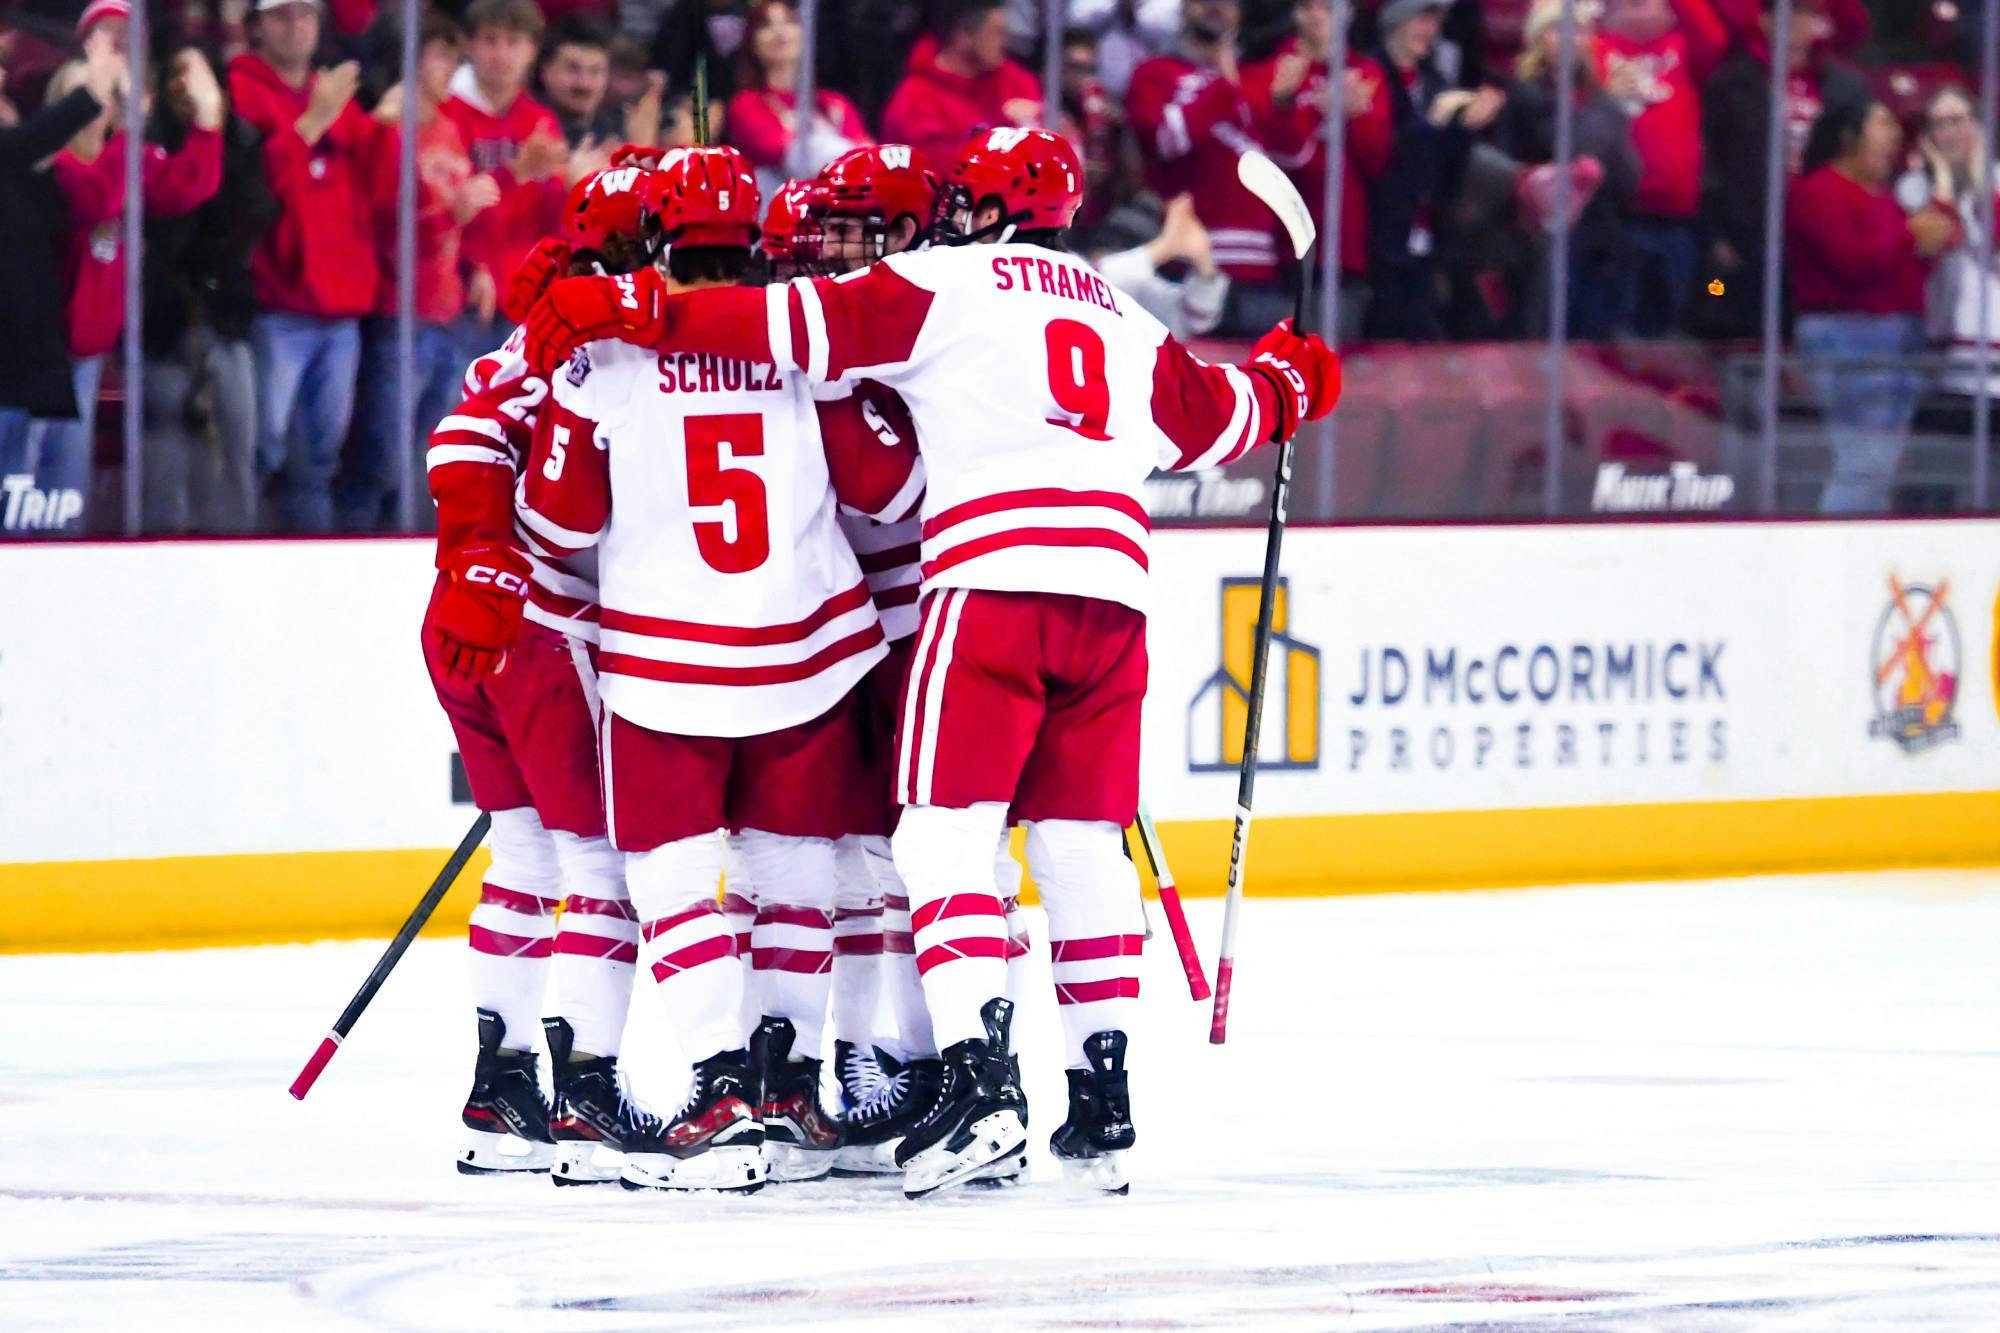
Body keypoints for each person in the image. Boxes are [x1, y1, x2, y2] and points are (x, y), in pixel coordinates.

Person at [519, 127, 1342, 1198]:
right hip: (1113, 601)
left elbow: (785, 322)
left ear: (984, 215)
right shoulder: (1118, 310)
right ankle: (1100, 1107)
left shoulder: (947, 280)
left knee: (937, 835)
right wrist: (1289, 380)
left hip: (991, 591)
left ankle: (979, 1086)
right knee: (1081, 848)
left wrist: (643, 309)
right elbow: (1219, 419)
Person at [515, 147, 927, 1191]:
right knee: (795, 876)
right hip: (809, 654)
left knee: (668, 876)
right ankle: (784, 1090)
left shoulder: (603, 350)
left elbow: (555, 516)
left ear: (652, 238)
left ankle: (718, 1086)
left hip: (664, 664)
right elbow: (888, 488)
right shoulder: (803, 338)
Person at [420, 169, 661, 1184]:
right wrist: (493, 560)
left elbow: (463, 433)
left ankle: (501, 1085)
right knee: (600, 864)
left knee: (524, 853)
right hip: (538, 630)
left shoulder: (529, 331)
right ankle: (585, 1099)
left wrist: (472, 558)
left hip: (464, 621)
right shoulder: (606, 335)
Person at [339, 12, 500, 532]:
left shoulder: (449, 127)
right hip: (399, 313)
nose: (450, 67)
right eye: (438, 54)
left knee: (425, 463)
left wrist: (473, 265)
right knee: (381, 460)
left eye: (453, 56)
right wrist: (452, 212)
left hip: (445, 310)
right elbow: (387, 222)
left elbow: (455, 220)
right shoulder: (392, 129)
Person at [230, 0, 384, 533]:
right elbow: (251, 195)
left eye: (305, 14)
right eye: (280, 15)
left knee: (319, 462)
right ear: (256, 27)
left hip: (342, 304)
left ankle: (309, 568)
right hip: (278, 301)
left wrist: (391, 128)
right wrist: (311, 122)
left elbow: (379, 189)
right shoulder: (241, 92)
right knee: (262, 451)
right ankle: (238, 554)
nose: (294, 26)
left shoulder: (337, 94)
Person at [1788, 97, 1959, 514]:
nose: (1895, 137)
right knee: (1862, 463)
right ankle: (1839, 552)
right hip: (1851, 334)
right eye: (1883, 125)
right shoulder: (1819, 190)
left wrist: (1931, 231)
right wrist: (1911, 235)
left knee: (1880, 465)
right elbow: (1852, 262)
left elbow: (1909, 265)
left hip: (1896, 334)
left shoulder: (1883, 197)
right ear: (1850, 137)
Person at [143, 41, 279, 535]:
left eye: (198, 79)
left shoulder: (242, 141)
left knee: (238, 441)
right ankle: (162, 537)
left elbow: (252, 218)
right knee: (167, 445)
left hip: (226, 316)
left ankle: (235, 537)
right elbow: (167, 222)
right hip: (165, 317)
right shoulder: (152, 140)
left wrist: (216, 132)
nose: (188, 91)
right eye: (178, 77)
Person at [0, 23, 123, 534]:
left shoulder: (24, 167)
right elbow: (29, 142)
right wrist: (91, 92)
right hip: (13, 368)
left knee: (44, 507)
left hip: (32, 362)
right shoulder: (13, 154)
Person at [1698, 0, 1867, 340]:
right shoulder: (1731, 83)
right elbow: (1712, 161)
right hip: (1746, 238)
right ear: (1764, 21)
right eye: (1788, 13)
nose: (1797, 22)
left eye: (1807, 13)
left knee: (1805, 331)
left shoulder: (1845, 87)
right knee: (1725, 308)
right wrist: (1716, 234)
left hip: (1818, 237)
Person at [1128, 0, 1292, 336]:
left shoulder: (1256, 80)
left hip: (1261, 268)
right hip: (1190, 263)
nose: (1217, 7)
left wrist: (1284, 104)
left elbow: (1288, 157)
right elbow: (1163, 142)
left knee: (1258, 384)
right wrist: (1220, 87)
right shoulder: (1157, 73)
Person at [443, 0, 590, 358]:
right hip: (466, 299)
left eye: (513, 42)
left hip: (525, 302)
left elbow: (551, 219)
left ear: (532, 50)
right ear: (469, 45)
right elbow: (451, 212)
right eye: (490, 40)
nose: (501, 54)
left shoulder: (539, 120)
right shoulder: (448, 114)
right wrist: (517, 173)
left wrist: (577, 186)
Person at [1243, 0, 1392, 339]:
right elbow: (1262, 152)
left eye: (1328, 7)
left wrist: (1354, 119)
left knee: (1327, 366)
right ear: (1295, 13)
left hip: (1342, 249)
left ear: (1349, 15)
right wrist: (1287, 104)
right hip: (1280, 248)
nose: (1317, 16)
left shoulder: (1365, 75)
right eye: (1308, 6)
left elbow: (1376, 161)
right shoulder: (1271, 72)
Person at [1491, 0, 1640, 339]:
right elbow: (1568, 150)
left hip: (1599, 248)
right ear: (1539, 39)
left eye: (1581, 29)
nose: (1572, 38)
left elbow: (1629, 178)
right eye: (1560, 29)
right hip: (1543, 255)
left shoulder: (1595, 98)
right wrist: (1607, 108)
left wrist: (1614, 113)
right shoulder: (1524, 96)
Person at [1362, 0, 1499, 339]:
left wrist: (1466, 125)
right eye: (1422, 19)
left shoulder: (1435, 81)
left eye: (1435, 22)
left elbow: (1447, 167)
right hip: (1379, 237)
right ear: (1397, 22)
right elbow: (1382, 156)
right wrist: (1431, 122)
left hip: (1428, 236)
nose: (1430, 31)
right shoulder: (1370, 74)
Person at [1594, 0, 1726, 338]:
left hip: (1678, 219)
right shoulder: (1596, 50)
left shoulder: (1683, 47)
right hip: (1617, 218)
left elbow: (1713, 36)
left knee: (1675, 318)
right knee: (1617, 325)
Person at [727, 1, 872, 201]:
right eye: (766, 25)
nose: (780, 32)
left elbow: (870, 160)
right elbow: (793, 157)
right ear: (752, 42)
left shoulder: (835, 104)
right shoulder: (747, 105)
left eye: (788, 22)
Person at [880, 0, 1042, 164]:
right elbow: (942, 171)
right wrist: (1010, 132)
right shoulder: (915, 100)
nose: (1005, 42)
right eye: (996, 33)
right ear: (963, 36)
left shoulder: (1014, 80)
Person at [1093, 192, 1231, 338]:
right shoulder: (1076, 271)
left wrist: (1202, 262)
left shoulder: (1143, 286)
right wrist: (1164, 248)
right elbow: (1093, 282)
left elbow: (1197, 320)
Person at [538, 13, 622, 147]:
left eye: (595, 71)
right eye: (573, 69)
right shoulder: (529, 131)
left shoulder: (618, 128)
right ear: (545, 71)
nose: (584, 83)